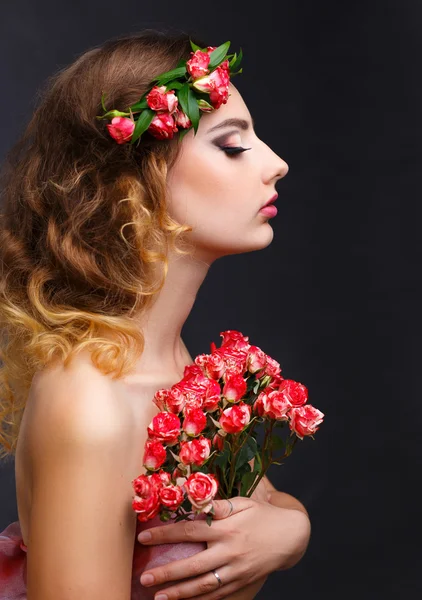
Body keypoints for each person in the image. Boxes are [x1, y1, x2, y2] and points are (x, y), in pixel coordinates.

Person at [0, 29, 311, 600]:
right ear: (132, 186)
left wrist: (291, 528)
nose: (277, 164)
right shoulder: (92, 402)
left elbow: (262, 505)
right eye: (233, 145)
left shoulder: (164, 360)